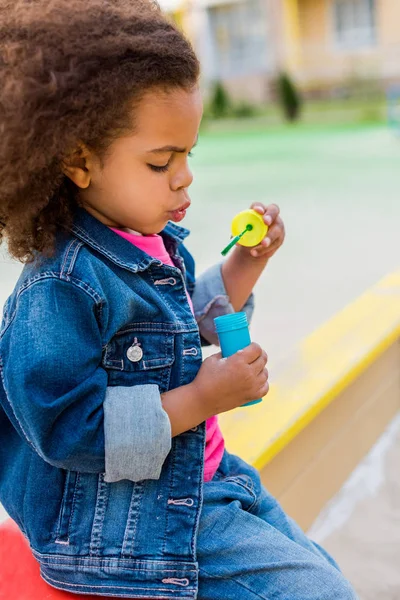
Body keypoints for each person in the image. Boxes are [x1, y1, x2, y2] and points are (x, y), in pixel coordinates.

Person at [0, 1, 358, 598]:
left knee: (321, 571)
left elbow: (184, 319)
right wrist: (203, 395)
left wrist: (249, 261)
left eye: (189, 154)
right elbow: (71, 431)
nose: (184, 176)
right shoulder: (59, 287)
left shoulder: (146, 243)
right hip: (132, 526)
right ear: (77, 160)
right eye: (160, 161)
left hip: (204, 479)